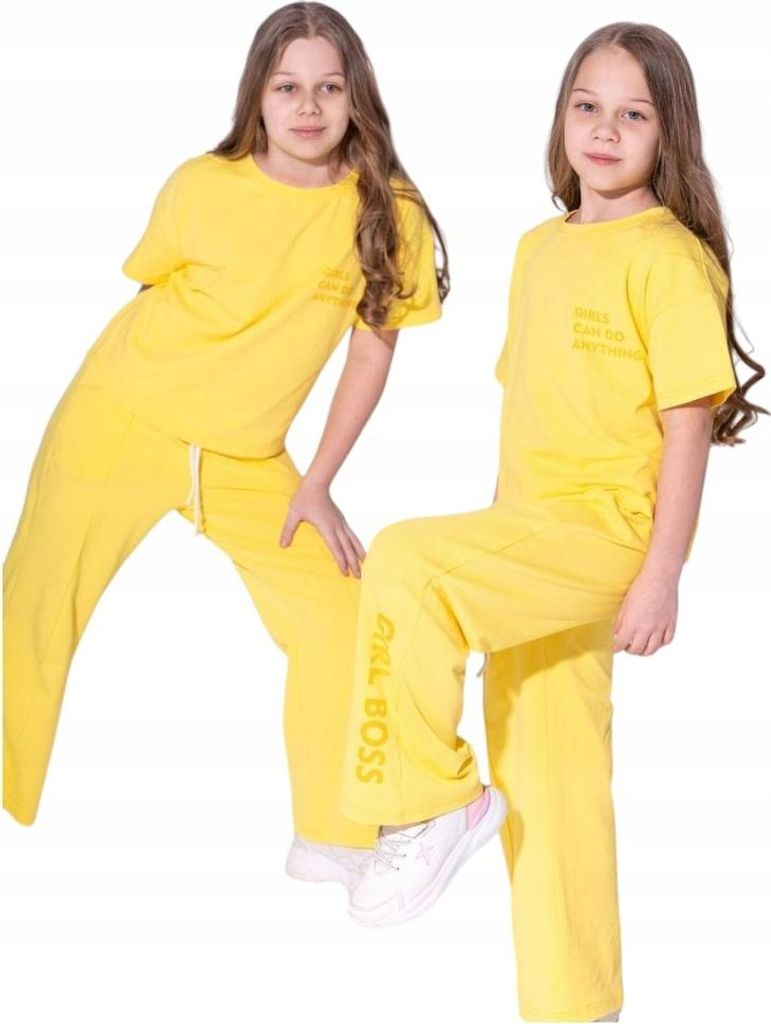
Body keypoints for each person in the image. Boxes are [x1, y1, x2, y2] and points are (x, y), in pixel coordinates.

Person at [337, 21, 766, 1023]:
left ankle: (428, 799)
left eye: (633, 114)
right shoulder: (538, 249)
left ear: (668, 134)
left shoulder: (669, 259)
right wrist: (498, 559)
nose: (604, 130)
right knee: (551, 781)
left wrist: (662, 575)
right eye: (587, 106)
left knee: (403, 561)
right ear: (561, 119)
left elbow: (688, 426)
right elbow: (526, 411)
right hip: (530, 539)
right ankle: (578, 1007)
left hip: (605, 535)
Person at [2, 1, 448, 896]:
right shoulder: (200, 186)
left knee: (340, 611)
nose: (308, 107)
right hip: (122, 415)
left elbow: (370, 352)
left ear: (357, 97)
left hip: (248, 457)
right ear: (257, 97)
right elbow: (154, 290)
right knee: (36, 605)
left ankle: (334, 834)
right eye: (287, 87)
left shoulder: (388, 212)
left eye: (329, 88)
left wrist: (317, 483)